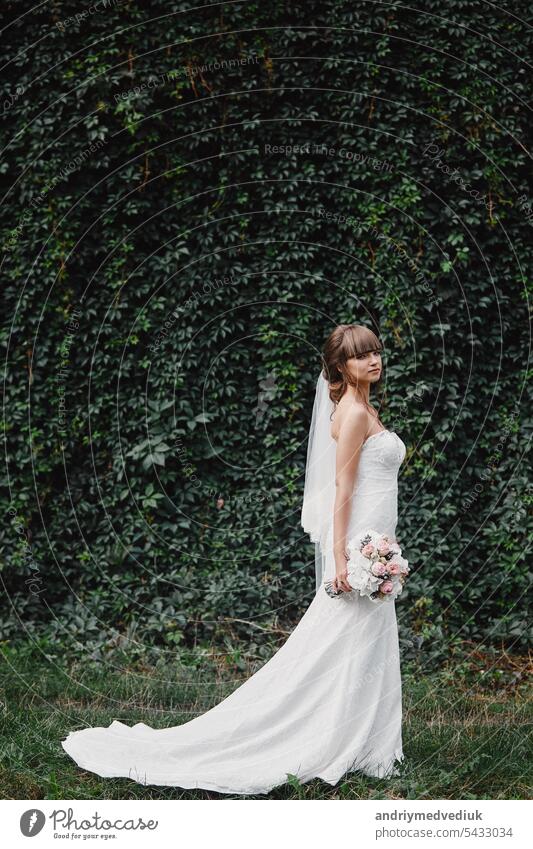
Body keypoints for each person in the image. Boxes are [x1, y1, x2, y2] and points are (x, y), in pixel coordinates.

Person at [61, 323, 406, 794]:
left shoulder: (363, 406)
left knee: (361, 644)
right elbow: (342, 489)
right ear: (341, 367)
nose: (373, 360)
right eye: (361, 356)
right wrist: (345, 558)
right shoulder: (353, 414)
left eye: (375, 352)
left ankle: (365, 739)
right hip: (360, 547)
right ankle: (323, 735)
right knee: (337, 645)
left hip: (374, 542)